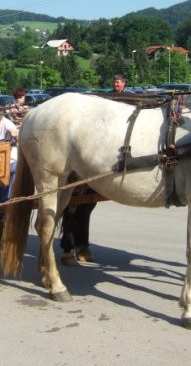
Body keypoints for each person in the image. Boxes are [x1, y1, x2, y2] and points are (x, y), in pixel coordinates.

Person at [60, 74, 128, 266]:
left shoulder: (130, 98)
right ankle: (69, 245)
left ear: (124, 84)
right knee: (73, 205)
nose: (116, 84)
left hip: (111, 150)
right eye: (114, 81)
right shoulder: (107, 99)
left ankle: (82, 246)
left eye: (119, 82)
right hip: (97, 147)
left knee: (87, 205)